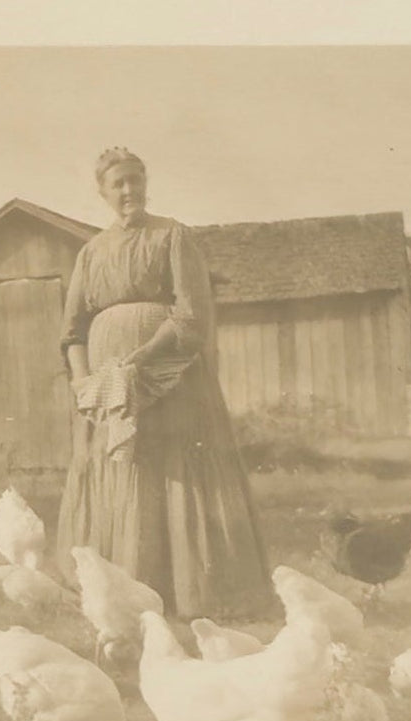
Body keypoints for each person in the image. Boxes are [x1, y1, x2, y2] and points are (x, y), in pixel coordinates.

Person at [54, 147, 273, 621]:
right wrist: (83, 383)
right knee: (122, 469)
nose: (129, 190)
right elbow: (72, 331)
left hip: (169, 374)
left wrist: (141, 359)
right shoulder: (91, 253)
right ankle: (120, 593)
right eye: (118, 183)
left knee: (173, 470)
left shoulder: (173, 236)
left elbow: (192, 314)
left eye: (135, 179)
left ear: (145, 183)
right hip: (107, 390)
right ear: (102, 193)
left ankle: (189, 592)